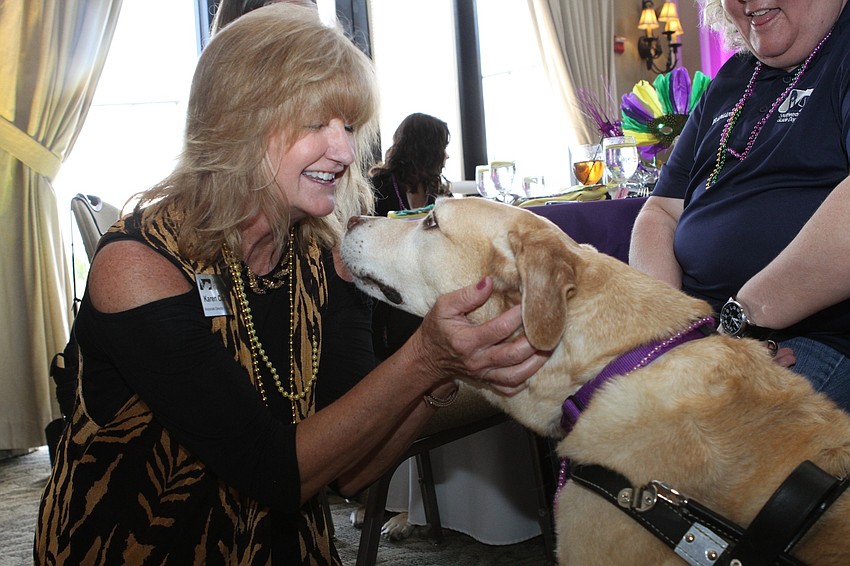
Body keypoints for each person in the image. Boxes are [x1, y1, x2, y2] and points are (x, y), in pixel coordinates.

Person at [34, 5, 546, 565]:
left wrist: (444, 373)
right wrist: (426, 357)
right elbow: (271, 472)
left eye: (348, 127)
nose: (347, 152)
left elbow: (353, 471)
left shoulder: (324, 256)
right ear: (237, 122)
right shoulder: (140, 267)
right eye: (316, 124)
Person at [629, 0, 850, 411]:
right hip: (703, 335)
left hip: (809, 339)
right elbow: (660, 211)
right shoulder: (732, 78)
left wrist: (739, 320)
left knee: (690, 443)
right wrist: (668, 328)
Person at [369, 112, 453, 216]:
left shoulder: (439, 191)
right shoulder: (379, 187)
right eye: (443, 148)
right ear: (427, 151)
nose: (446, 155)